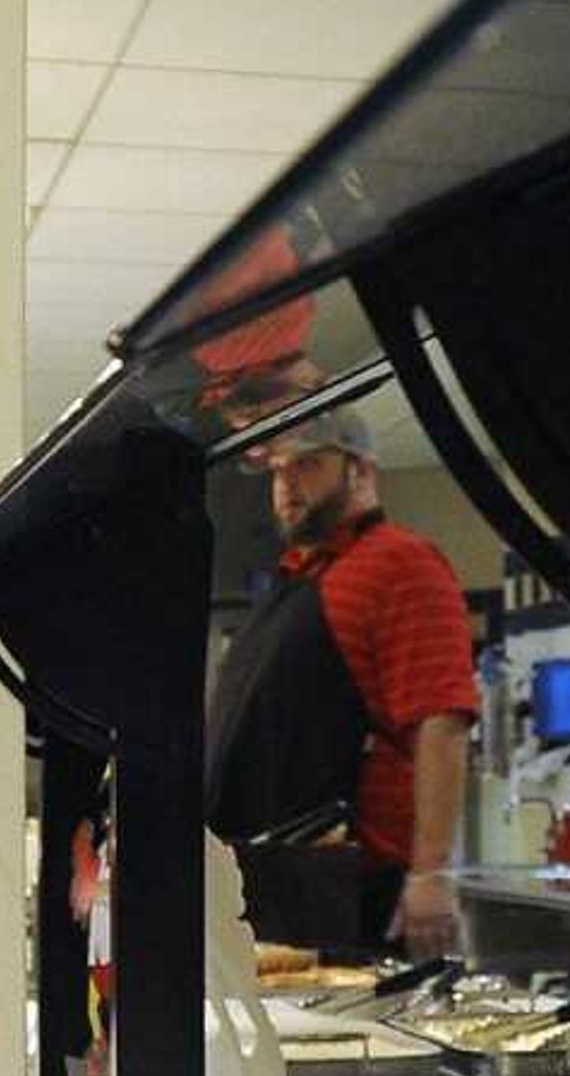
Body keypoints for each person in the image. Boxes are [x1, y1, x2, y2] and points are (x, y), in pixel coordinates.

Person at [202, 409, 481, 961]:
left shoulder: (401, 563)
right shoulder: (301, 575)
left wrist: (429, 874)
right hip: (268, 881)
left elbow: (441, 722)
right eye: (280, 472)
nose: (287, 487)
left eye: (308, 465)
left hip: (349, 895)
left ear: (360, 471)